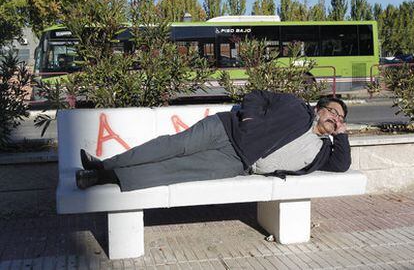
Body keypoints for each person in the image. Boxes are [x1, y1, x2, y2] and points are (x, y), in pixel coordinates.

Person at [76, 90, 351, 191]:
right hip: (224, 129)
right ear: (318, 109)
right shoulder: (294, 106)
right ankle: (104, 164)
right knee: (171, 146)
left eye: (340, 118)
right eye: (332, 111)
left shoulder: (322, 152)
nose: (335, 118)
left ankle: (103, 179)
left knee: (174, 171)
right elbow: (257, 96)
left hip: (235, 162)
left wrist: (343, 136)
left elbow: (342, 165)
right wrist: (250, 119)